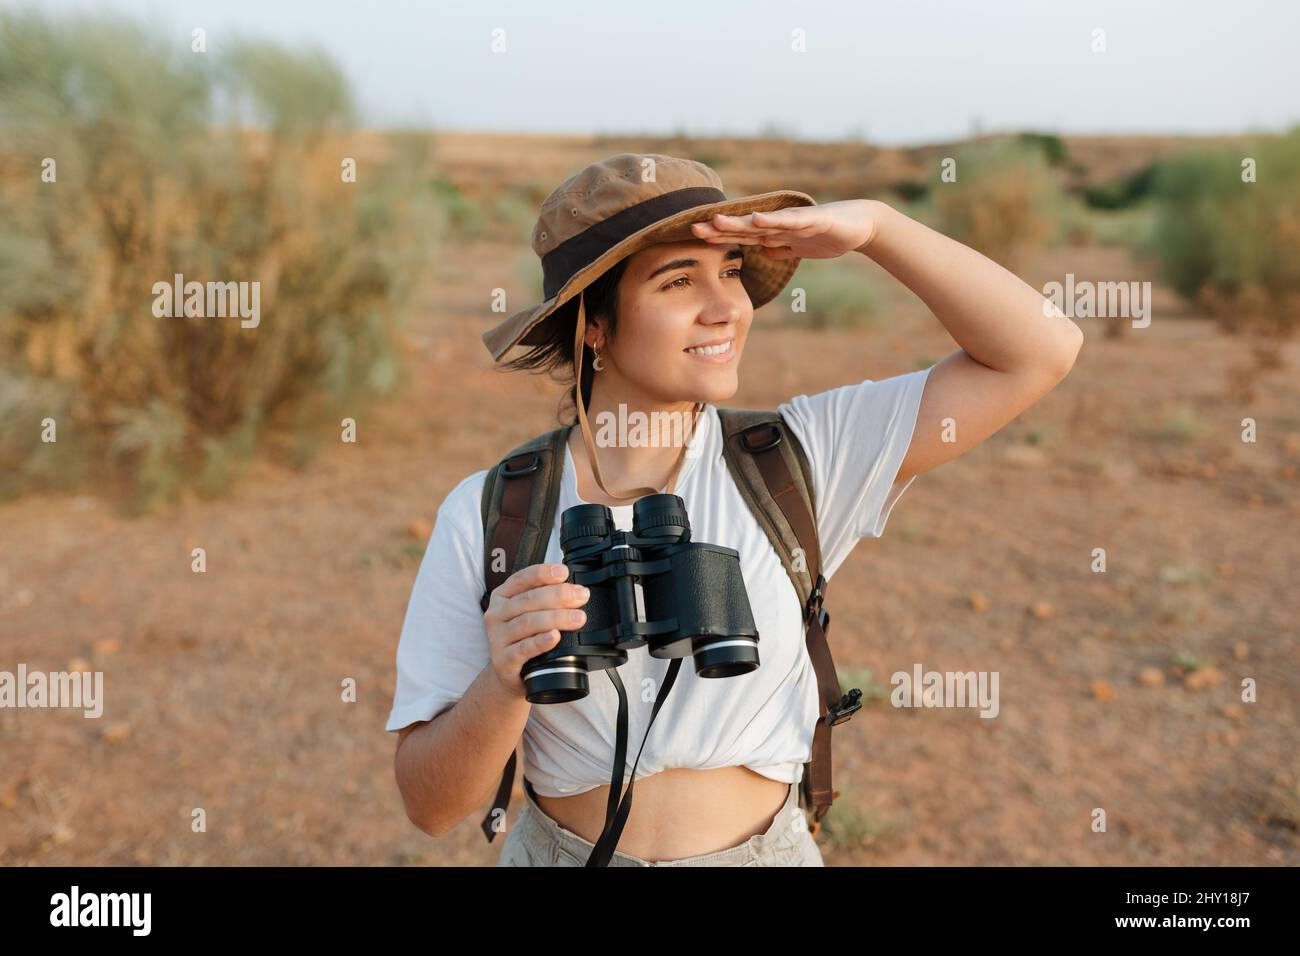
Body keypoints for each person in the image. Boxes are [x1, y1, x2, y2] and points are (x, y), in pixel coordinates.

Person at [387, 153, 1083, 866]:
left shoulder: (795, 458)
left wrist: (877, 225)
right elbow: (431, 807)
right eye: (679, 279)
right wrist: (504, 684)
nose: (726, 306)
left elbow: (1041, 351)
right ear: (593, 324)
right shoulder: (493, 511)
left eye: (730, 271)